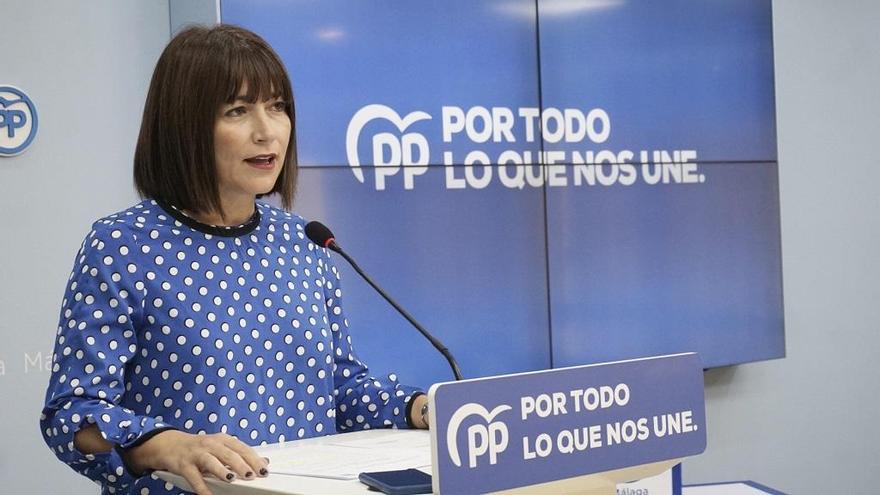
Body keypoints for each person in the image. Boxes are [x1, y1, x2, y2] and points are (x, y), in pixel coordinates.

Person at [40, 24, 429, 495]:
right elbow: (73, 414)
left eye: (277, 107)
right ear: (184, 126)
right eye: (238, 111)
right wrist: (165, 445)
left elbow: (339, 387)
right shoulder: (121, 246)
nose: (267, 132)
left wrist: (419, 407)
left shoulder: (303, 239)